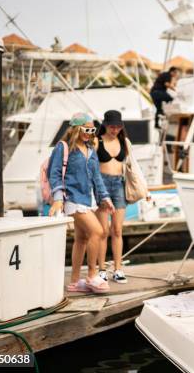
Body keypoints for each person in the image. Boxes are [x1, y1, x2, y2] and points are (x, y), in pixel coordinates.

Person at [48, 112, 115, 294]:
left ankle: (75, 282)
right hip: (72, 199)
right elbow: (53, 174)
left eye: (92, 129)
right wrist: (57, 199)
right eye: (86, 129)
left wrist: (106, 198)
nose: (89, 132)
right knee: (98, 232)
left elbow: (96, 178)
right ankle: (92, 275)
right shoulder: (63, 147)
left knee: (82, 239)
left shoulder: (91, 149)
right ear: (76, 128)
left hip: (87, 199)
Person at [95, 110, 130, 284]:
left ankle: (118, 268)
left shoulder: (124, 141)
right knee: (103, 231)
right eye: (111, 126)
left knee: (117, 230)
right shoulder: (97, 141)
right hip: (102, 185)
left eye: (117, 126)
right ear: (105, 125)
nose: (114, 129)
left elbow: (133, 167)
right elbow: (91, 167)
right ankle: (101, 269)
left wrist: (143, 190)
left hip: (119, 186)